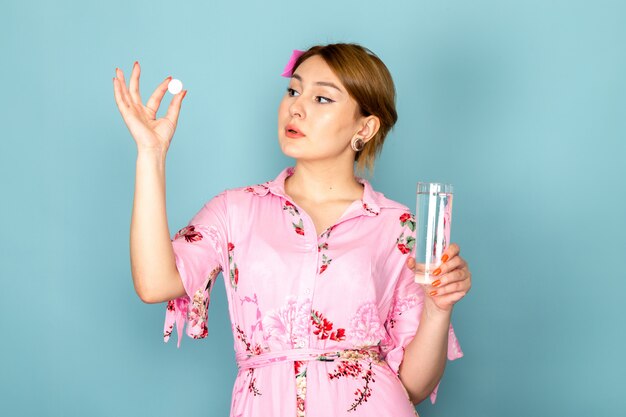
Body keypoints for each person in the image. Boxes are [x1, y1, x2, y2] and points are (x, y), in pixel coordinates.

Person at [113, 43, 472, 417]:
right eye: (293, 91)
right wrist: (150, 154)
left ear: (364, 127)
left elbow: (412, 386)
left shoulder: (399, 228)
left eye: (322, 98)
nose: (296, 107)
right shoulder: (236, 210)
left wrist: (437, 309)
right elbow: (154, 284)